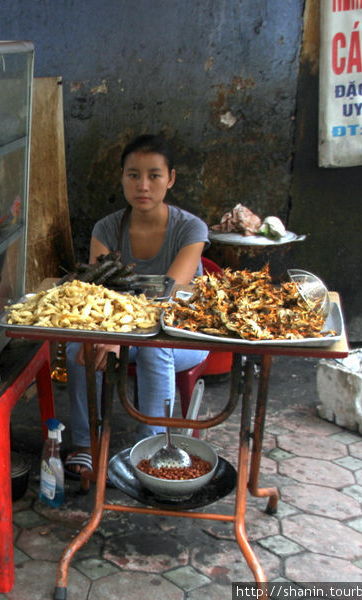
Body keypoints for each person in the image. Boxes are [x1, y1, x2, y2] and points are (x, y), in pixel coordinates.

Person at [63, 134, 209, 479]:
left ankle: (154, 451)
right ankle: (86, 444)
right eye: (133, 175)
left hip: (183, 336)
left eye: (154, 175)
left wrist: (123, 338)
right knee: (76, 347)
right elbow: (101, 296)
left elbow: (169, 298)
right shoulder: (107, 228)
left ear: (170, 179)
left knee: (153, 350)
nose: (143, 185)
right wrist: (112, 336)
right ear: (122, 178)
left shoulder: (191, 229)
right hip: (122, 332)